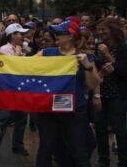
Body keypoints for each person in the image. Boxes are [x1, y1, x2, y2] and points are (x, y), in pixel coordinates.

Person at [35, 18, 101, 167]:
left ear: (70, 36)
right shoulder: (46, 53)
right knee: (46, 147)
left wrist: (88, 66)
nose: (56, 36)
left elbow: (92, 84)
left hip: (75, 109)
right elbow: (24, 65)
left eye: (60, 33)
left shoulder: (85, 57)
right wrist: (4, 58)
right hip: (49, 108)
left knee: (78, 149)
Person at [0, 24, 31, 158]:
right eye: (19, 33)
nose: (22, 36)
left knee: (21, 119)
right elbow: (13, 65)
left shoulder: (24, 48)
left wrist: (24, 49)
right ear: (12, 35)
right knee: (3, 118)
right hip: (8, 89)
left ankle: (18, 145)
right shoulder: (4, 49)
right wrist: (18, 52)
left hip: (22, 88)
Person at [93, 18, 127, 167]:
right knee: (100, 129)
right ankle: (103, 160)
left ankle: (123, 161)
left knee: (119, 130)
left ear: (112, 30)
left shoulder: (122, 48)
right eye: (99, 30)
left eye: (103, 29)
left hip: (117, 96)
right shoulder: (97, 47)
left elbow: (122, 72)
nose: (101, 32)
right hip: (101, 94)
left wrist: (107, 55)